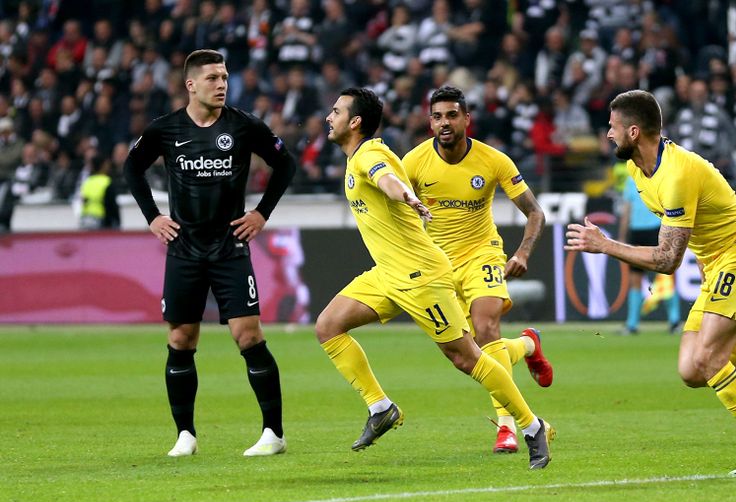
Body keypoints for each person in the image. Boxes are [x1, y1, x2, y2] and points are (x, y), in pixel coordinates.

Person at [565, 90, 736, 476]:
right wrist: (704, 259)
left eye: (613, 128)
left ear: (634, 131)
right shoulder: (636, 169)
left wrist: (606, 245)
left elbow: (667, 259)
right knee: (692, 370)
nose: (608, 135)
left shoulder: (677, 173)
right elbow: (695, 226)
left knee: (709, 358)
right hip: (718, 263)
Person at [315, 87, 553, 469]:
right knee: (328, 325)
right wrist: (407, 194)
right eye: (437, 116)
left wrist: (403, 195)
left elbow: (386, 179)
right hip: (389, 274)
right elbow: (395, 176)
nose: (329, 117)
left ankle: (530, 426)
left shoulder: (370, 155)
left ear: (355, 122)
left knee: (467, 356)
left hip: (422, 276)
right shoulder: (390, 156)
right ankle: (381, 407)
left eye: (336, 110)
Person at [124, 50, 296, 458]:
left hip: (230, 247)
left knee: (248, 335)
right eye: (213, 78)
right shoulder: (165, 129)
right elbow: (132, 168)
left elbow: (285, 164)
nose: (221, 84)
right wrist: (152, 217)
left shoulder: (243, 125)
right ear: (191, 84)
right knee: (181, 338)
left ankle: (274, 433)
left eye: (224, 76)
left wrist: (260, 213)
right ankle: (185, 435)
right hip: (184, 248)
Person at [402, 86, 553, 454]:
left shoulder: (493, 160)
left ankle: (508, 428)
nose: (444, 123)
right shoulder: (414, 162)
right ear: (430, 122)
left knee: (486, 329)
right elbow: (395, 211)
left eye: (452, 115)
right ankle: (528, 344)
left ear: (466, 119)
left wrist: (523, 252)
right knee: (467, 354)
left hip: (482, 255)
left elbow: (535, 212)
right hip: (437, 264)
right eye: (437, 116)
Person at [615, 162, 680, 334]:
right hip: (643, 232)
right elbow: (627, 210)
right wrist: (622, 236)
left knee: (659, 276)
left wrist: (622, 236)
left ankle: (670, 321)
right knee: (642, 278)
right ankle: (635, 323)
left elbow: (628, 210)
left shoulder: (650, 178)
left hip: (652, 231)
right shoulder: (635, 180)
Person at [79, 154, 121, 229]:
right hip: (102, 220)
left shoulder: (87, 182)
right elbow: (112, 205)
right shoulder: (107, 182)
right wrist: (117, 222)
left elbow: (83, 201)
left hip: (86, 219)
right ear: (103, 165)